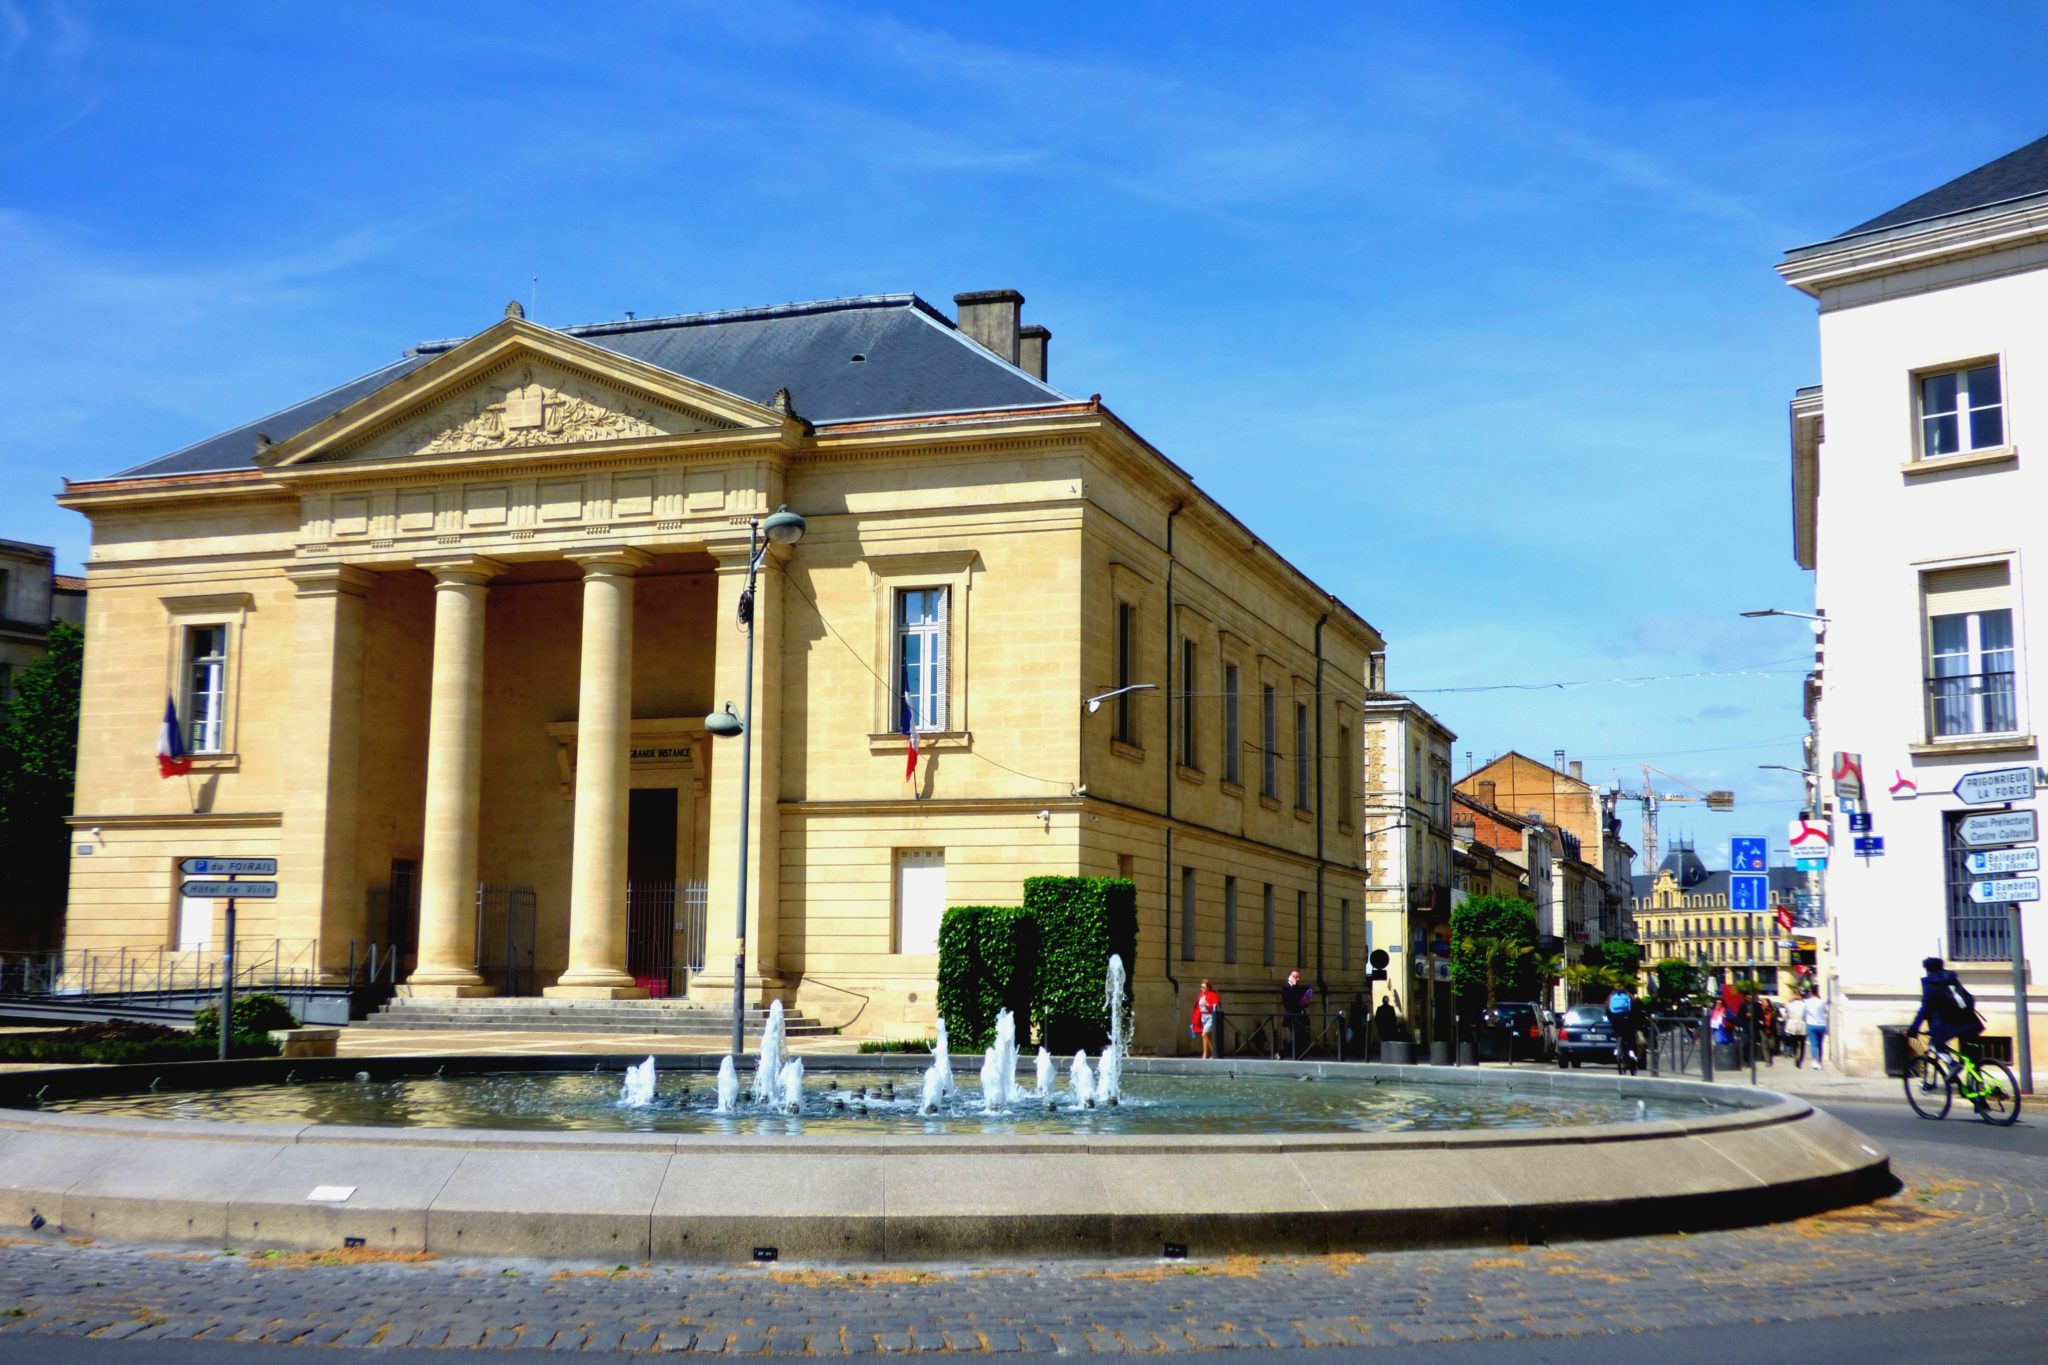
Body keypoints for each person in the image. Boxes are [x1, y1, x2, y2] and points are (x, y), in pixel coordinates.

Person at [1907, 956, 1984, 1092]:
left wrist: (1913, 1028)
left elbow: (1925, 1009)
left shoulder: (1930, 984)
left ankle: (1952, 1065)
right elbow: (1968, 999)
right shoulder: (1952, 979)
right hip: (1970, 1023)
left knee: (1934, 1045)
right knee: (1972, 1061)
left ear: (1927, 969)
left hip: (1949, 1026)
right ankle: (1980, 1095)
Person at [1608, 989, 1647, 1074]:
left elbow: (1608, 1012)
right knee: (1630, 1039)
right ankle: (1631, 1053)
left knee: (1618, 1035)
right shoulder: (1630, 997)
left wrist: (1611, 1022)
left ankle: (1618, 1050)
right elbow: (1636, 1012)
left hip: (1615, 1021)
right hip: (1627, 1021)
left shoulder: (1611, 998)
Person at [1280, 968, 1313, 1059]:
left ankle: (1298, 1056)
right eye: (1295, 977)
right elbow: (1289, 1000)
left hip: (1299, 1016)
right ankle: (1282, 1053)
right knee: (1298, 1036)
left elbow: (1301, 1002)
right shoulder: (1285, 988)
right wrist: (1294, 986)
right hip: (1291, 1016)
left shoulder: (1298, 988)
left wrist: (1306, 1000)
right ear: (1290, 977)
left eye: (1298, 977)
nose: (1297, 979)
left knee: (1303, 1037)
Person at [1190, 979, 1221, 1060]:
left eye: (1203, 987)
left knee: (1204, 1034)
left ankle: (1205, 1054)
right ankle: (1214, 1054)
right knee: (1208, 1036)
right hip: (1203, 1017)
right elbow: (1197, 1007)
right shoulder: (1200, 995)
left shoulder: (1212, 995)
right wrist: (1196, 1019)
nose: (1201, 989)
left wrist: (1208, 1005)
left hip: (1210, 1017)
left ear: (1208, 988)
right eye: (1201, 987)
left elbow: (1216, 1005)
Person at [1804, 990, 1830, 1069]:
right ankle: (1820, 1061)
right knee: (1820, 1044)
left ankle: (1814, 1062)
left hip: (1811, 1024)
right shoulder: (1822, 1002)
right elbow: (1826, 1012)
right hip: (1821, 1025)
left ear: (1811, 993)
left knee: (1814, 1044)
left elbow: (1804, 1013)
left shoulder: (1807, 1002)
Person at [1784, 987, 1809, 1067]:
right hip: (1802, 1024)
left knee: (1794, 1042)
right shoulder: (1804, 1004)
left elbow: (1785, 1005)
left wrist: (1791, 998)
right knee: (1802, 1044)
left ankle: (1795, 1054)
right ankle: (1800, 1059)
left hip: (1792, 1025)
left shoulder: (1790, 1005)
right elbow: (1806, 1014)